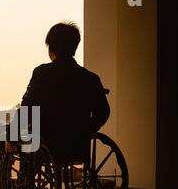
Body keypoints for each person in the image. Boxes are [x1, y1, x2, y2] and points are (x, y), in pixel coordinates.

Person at [19, 22, 110, 165]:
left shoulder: (42, 73)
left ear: (52, 48)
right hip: (77, 144)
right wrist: (86, 130)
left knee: (7, 133)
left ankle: (21, 180)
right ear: (74, 48)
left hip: (46, 143)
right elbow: (103, 111)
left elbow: (27, 108)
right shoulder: (90, 79)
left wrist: (12, 132)